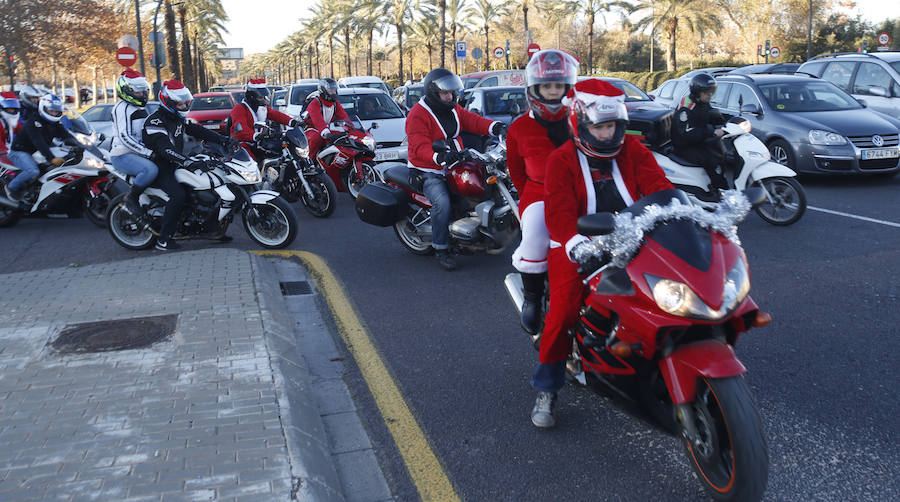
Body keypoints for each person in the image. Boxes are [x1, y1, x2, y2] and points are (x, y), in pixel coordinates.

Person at [533, 79, 674, 428]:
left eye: (612, 125)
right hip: (578, 245)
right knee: (563, 314)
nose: (607, 133)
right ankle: (548, 387)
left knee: (669, 291)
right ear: (580, 123)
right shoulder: (561, 159)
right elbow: (560, 212)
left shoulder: (634, 150)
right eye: (599, 126)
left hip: (635, 238)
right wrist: (574, 243)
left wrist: (682, 213)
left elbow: (660, 187)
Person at [507, 49, 579, 334]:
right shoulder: (520, 128)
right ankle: (533, 299)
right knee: (535, 239)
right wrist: (533, 197)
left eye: (558, 85)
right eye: (547, 86)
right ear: (534, 88)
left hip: (581, 191)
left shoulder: (582, 119)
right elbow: (516, 172)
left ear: (568, 87)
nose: (552, 92)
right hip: (539, 195)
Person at [406, 67, 506, 271]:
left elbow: (471, 120)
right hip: (429, 169)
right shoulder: (418, 114)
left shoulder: (452, 108)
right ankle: (442, 248)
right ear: (434, 93)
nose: (450, 96)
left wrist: (494, 126)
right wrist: (438, 156)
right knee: (442, 202)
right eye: (445, 93)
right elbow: (419, 144)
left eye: (452, 92)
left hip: (455, 161)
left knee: (484, 183)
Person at [143, 80, 234, 251]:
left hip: (176, 161)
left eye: (185, 102)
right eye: (180, 103)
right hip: (161, 165)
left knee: (208, 183)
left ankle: (213, 230)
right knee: (178, 195)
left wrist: (222, 139)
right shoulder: (155, 122)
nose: (184, 105)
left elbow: (196, 130)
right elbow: (165, 149)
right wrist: (187, 162)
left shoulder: (177, 117)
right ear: (168, 102)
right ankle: (164, 239)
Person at [109, 69, 158, 214]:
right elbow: (125, 137)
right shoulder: (121, 108)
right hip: (123, 154)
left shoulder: (140, 107)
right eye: (138, 92)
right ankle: (132, 198)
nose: (142, 95)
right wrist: (149, 153)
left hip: (139, 153)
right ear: (126, 91)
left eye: (143, 91)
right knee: (150, 170)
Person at [4, 94, 68, 203]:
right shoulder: (34, 122)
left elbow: (67, 135)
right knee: (33, 171)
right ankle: (11, 187)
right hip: (19, 151)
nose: (54, 113)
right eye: (51, 111)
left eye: (56, 112)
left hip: (35, 153)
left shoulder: (55, 123)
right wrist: (51, 158)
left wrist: (82, 142)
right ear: (44, 108)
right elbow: (38, 141)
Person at [671, 73, 727, 192]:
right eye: (707, 92)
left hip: (697, 141)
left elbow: (707, 114)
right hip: (684, 146)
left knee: (721, 155)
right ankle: (716, 191)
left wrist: (722, 120)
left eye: (711, 91)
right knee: (710, 159)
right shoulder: (686, 108)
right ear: (697, 92)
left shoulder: (701, 101)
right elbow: (688, 133)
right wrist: (712, 132)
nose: (710, 95)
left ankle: (720, 184)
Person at [229, 78, 300, 162]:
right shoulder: (239, 108)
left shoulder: (261, 108)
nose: (263, 99)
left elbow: (275, 115)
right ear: (252, 96)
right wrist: (256, 135)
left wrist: (292, 122)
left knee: (277, 154)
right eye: (260, 97)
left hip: (258, 143)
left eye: (263, 97)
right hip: (242, 144)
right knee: (251, 163)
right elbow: (241, 129)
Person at [303, 78, 350, 162]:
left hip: (325, 129)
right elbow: (318, 121)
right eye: (331, 90)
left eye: (335, 90)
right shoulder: (315, 103)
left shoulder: (335, 104)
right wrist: (326, 132)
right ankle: (309, 162)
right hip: (310, 129)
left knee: (342, 137)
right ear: (324, 91)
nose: (334, 93)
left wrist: (351, 129)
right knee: (316, 138)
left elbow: (344, 117)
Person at [0, 91, 23, 158]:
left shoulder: (12, 120)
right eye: (9, 108)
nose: (12, 111)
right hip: (4, 156)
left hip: (8, 152)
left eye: (13, 108)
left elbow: (23, 133)